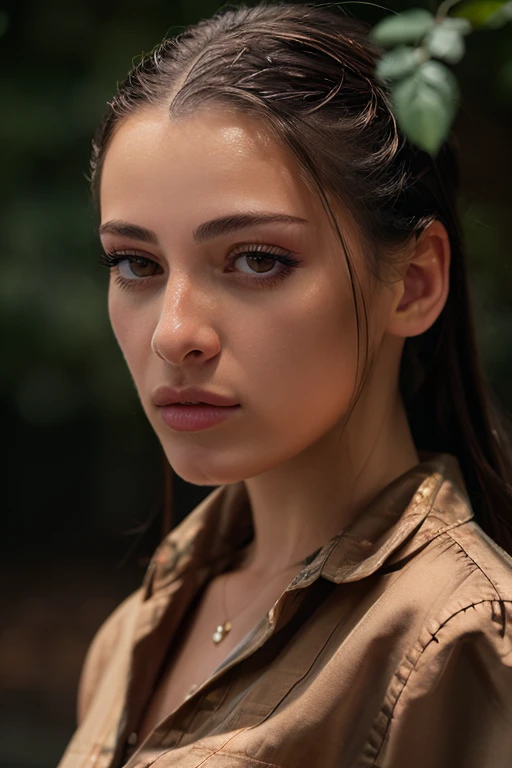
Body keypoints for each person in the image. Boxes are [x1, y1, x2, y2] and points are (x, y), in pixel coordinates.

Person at [58, 3, 512, 767]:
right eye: (135, 263)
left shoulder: (461, 645)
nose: (175, 333)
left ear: (414, 282)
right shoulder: (128, 638)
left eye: (257, 259)